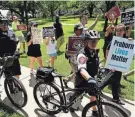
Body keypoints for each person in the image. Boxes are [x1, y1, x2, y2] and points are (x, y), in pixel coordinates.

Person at [70, 30, 100, 116]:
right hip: (82, 80)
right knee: (78, 99)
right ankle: (72, 104)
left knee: (94, 95)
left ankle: (94, 111)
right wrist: (89, 78)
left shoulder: (94, 51)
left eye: (96, 41)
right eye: (92, 41)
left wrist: (101, 68)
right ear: (86, 41)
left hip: (91, 79)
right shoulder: (82, 55)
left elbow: (97, 62)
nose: (95, 43)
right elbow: (82, 69)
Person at [106, 23, 132, 105]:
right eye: (117, 30)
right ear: (115, 31)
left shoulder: (126, 40)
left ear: (124, 31)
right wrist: (109, 63)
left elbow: (129, 51)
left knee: (115, 82)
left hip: (119, 66)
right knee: (107, 80)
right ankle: (96, 91)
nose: (119, 32)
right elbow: (107, 51)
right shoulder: (113, 40)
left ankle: (115, 99)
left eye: (121, 30)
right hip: (112, 66)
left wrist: (130, 41)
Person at [63, 23, 84, 88]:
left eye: (81, 29)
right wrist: (69, 52)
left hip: (80, 59)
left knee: (77, 73)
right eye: (79, 30)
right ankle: (76, 88)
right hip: (73, 60)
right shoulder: (72, 38)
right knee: (76, 74)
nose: (80, 31)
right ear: (75, 30)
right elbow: (67, 51)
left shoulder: (83, 36)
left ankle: (66, 80)